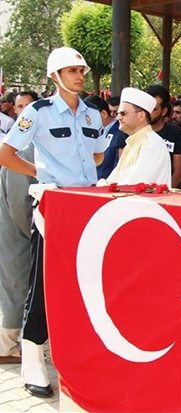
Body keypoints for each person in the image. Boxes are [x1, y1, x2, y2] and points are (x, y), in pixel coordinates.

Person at [0, 47, 107, 398]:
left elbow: (99, 153)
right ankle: (33, 361)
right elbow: (6, 153)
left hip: (87, 207)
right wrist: (41, 172)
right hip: (54, 207)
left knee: (83, 283)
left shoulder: (92, 113)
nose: (79, 75)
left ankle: (75, 360)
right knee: (42, 283)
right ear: (54, 77)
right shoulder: (37, 112)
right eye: (71, 70)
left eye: (81, 69)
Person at [0, 91, 36, 365]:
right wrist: (31, 236)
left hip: (16, 230)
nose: (24, 112)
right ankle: (8, 347)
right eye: (20, 107)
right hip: (17, 232)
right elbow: (18, 203)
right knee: (16, 287)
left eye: (30, 107)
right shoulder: (22, 149)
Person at [102, 87, 171, 186]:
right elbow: (115, 179)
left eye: (123, 113)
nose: (118, 118)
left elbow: (136, 185)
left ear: (141, 116)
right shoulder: (133, 142)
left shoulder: (152, 144)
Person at [144, 85, 181, 187]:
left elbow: (178, 173)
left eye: (153, 109)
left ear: (164, 111)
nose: (147, 112)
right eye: (145, 108)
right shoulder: (130, 132)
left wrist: (162, 194)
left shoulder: (175, 132)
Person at [85, 95, 122, 180]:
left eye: (88, 116)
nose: (85, 120)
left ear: (103, 114)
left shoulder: (120, 133)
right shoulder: (94, 132)